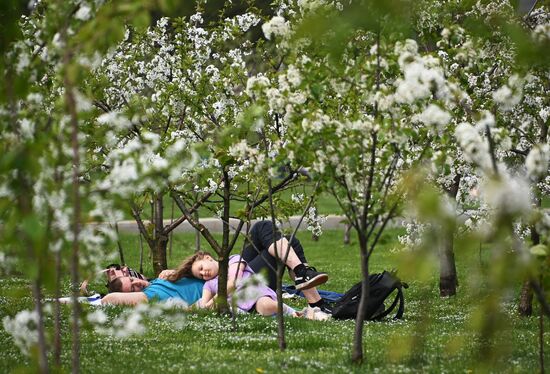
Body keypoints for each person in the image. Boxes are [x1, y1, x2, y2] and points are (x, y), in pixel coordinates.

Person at [240, 220, 333, 316]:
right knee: (263, 227)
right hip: (240, 285)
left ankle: (304, 278)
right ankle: (307, 283)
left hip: (237, 276)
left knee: (287, 241)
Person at [169, 251, 299, 316]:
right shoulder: (209, 284)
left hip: (257, 294)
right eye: (200, 275)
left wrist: (212, 302)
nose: (204, 273)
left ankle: (292, 312)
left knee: (265, 306)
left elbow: (233, 282)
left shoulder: (233, 260)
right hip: (239, 304)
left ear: (207, 258)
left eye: (201, 268)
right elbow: (204, 304)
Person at [101, 274, 204, 306]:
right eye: (133, 289)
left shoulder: (157, 280)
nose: (137, 283)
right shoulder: (149, 295)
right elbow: (109, 299)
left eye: (132, 280)